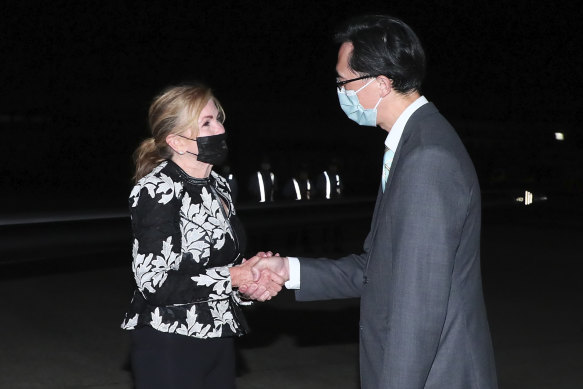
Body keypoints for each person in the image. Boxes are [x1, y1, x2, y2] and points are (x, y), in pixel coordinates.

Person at [244, 15, 498, 389]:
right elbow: (379, 270)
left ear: (380, 83)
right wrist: (288, 270)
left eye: (344, 82)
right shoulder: (414, 142)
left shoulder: (427, 158)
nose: (340, 92)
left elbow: (419, 307)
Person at [120, 84, 283, 389]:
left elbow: (218, 269)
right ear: (177, 141)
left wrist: (250, 282)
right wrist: (236, 275)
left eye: (218, 118)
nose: (220, 127)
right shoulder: (157, 190)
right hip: (169, 339)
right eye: (207, 122)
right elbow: (153, 282)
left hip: (218, 334)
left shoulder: (218, 185)